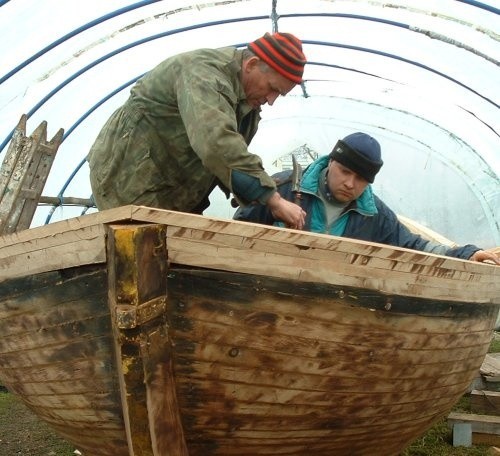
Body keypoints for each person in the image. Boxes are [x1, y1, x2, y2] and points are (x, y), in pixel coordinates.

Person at [87, 32, 307, 229]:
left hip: (175, 188)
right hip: (131, 180)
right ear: (251, 64)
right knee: (139, 253)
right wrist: (273, 199)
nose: (271, 100)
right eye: (272, 88)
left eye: (280, 95)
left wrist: (258, 189)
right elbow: (216, 144)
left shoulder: (247, 103)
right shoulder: (203, 74)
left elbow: (226, 161)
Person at [234, 132, 500, 264]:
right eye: (345, 171)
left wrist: (468, 254)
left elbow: (416, 247)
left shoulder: (375, 215)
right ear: (330, 162)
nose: (350, 183)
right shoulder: (283, 189)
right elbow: (239, 229)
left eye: (361, 179)